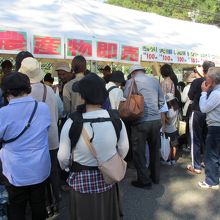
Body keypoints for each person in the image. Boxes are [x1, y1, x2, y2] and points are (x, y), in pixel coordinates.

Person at [58, 72, 129, 220]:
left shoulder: (72, 122)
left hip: (80, 182)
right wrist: (111, 160)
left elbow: (63, 157)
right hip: (107, 178)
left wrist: (67, 168)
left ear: (82, 97)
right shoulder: (115, 119)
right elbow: (124, 148)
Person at [0, 72, 51, 220]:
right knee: (38, 204)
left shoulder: (3, 113)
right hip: (40, 168)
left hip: (15, 171)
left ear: (7, 91)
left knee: (16, 206)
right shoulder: (42, 108)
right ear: (28, 88)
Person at [19, 57, 60, 215]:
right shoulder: (49, 90)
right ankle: (56, 200)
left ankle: (43, 205)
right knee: (53, 170)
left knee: (38, 174)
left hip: (35, 140)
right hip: (52, 137)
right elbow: (56, 114)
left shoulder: (24, 93)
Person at [124, 65, 164, 188]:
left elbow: (126, 99)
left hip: (140, 122)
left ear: (132, 73)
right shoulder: (154, 81)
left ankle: (144, 181)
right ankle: (155, 177)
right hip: (156, 121)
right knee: (154, 150)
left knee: (139, 152)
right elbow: (162, 102)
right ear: (143, 71)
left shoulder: (131, 81)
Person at [187, 61, 215, 174]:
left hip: (197, 112)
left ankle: (196, 166)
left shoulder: (197, 81)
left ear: (203, 70)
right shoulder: (215, 83)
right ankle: (207, 162)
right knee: (206, 138)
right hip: (210, 113)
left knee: (195, 139)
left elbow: (190, 96)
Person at [198, 67, 220, 189]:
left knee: (211, 155)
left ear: (211, 80)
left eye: (207, 78)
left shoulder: (216, 93)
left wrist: (203, 92)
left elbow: (204, 108)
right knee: (217, 154)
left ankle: (211, 181)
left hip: (215, 127)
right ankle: (216, 177)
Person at [163, 93, 179, 165]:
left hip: (168, 130)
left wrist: (163, 117)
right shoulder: (176, 108)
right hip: (175, 128)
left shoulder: (168, 110)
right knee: (174, 146)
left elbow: (168, 122)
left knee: (168, 146)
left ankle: (168, 160)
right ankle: (173, 159)